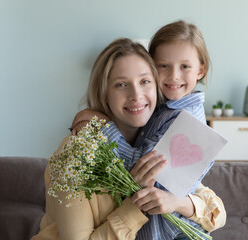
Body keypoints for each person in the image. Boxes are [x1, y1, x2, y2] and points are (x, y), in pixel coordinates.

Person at [70, 20, 226, 239]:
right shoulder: (165, 108)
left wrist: (102, 126)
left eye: (185, 66)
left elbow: (141, 171)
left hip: (165, 229)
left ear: (201, 70)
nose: (173, 76)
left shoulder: (190, 120)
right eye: (164, 66)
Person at [32, 38, 166, 240]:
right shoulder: (77, 152)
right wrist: (135, 200)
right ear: (104, 94)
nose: (136, 95)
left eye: (145, 81)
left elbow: (213, 208)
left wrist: (183, 204)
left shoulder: (156, 143)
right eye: (121, 84)